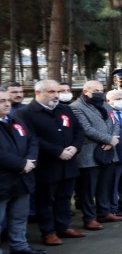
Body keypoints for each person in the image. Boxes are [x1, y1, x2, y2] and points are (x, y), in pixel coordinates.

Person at [13, 80, 85, 245]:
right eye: (51, 92)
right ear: (38, 93)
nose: (56, 95)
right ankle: (48, 231)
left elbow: (78, 130)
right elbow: (32, 138)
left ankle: (63, 226)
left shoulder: (65, 109)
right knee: (46, 200)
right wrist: (57, 151)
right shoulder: (25, 113)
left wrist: (74, 147)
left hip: (69, 163)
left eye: (57, 92)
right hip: (47, 165)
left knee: (65, 197)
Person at [0, 89, 46, 254]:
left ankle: (19, 246)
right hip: (4, 179)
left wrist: (30, 160)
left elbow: (32, 140)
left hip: (22, 178)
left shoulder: (15, 120)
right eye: (1, 101)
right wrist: (21, 164)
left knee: (20, 216)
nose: (6, 104)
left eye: (7, 101)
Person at [70, 80, 122, 230]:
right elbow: (86, 129)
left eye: (101, 90)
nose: (100, 93)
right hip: (89, 154)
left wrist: (112, 140)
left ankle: (104, 212)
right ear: (85, 91)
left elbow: (115, 122)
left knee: (104, 185)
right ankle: (89, 218)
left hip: (108, 151)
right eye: (96, 90)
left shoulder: (105, 105)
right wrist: (108, 139)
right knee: (88, 189)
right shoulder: (76, 107)